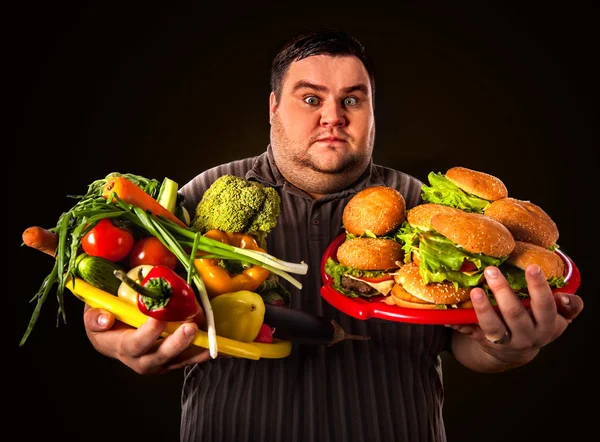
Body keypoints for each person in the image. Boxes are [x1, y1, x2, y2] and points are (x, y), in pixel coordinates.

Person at [82, 29, 584, 442]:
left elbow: (466, 343)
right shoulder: (202, 195)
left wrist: (506, 348)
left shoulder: (426, 209)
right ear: (274, 108)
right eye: (310, 98)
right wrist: (114, 335)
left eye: (352, 99)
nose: (333, 116)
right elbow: (122, 298)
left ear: (372, 110)